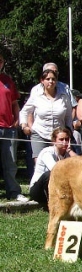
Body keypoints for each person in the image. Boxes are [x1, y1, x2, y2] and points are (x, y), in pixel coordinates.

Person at [20, 68, 74, 161]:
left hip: (58, 135)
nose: (51, 81)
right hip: (40, 133)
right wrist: (24, 126)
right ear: (42, 81)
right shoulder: (36, 95)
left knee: (58, 162)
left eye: (53, 79)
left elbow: (68, 116)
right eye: (48, 79)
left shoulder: (64, 96)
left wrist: (69, 133)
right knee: (40, 163)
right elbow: (25, 111)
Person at [0, 51, 28, 202]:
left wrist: (17, 120)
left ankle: (13, 192)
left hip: (8, 127)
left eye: (0, 60)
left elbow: (14, 103)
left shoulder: (7, 81)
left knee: (10, 162)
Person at [29, 127, 77, 209]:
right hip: (38, 190)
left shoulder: (68, 154)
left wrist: (69, 151)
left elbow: (80, 165)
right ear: (54, 141)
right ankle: (54, 205)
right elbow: (55, 170)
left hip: (55, 190)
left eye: (67, 139)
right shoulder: (47, 152)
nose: (64, 142)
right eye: (61, 139)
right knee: (50, 174)